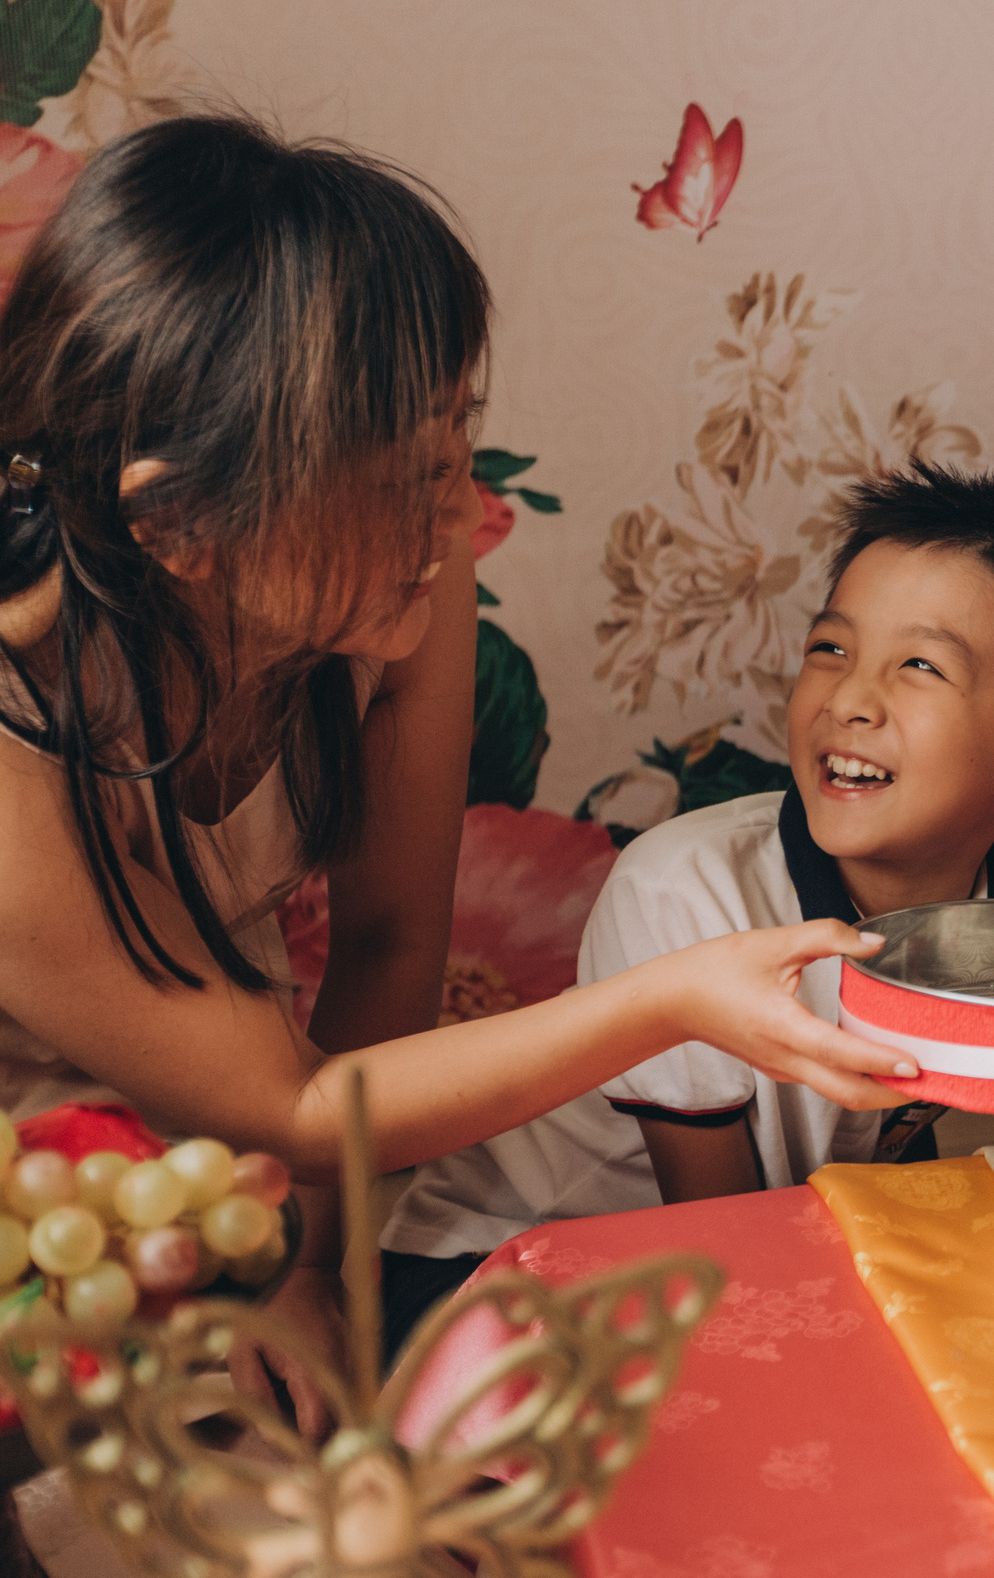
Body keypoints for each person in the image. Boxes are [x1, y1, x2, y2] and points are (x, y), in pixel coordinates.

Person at [0, 116, 913, 1432]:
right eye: (393, 475)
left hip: (226, 1201)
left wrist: (316, 1268)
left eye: (454, 442)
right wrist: (673, 998)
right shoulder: (19, 745)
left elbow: (385, 949)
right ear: (178, 524)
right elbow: (296, 1096)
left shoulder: (400, 593)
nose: (452, 513)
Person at [378, 465, 994, 1352]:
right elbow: (733, 1253)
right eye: (830, 650)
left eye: (919, 665)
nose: (849, 699)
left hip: (748, 1277)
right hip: (501, 1273)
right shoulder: (684, 892)